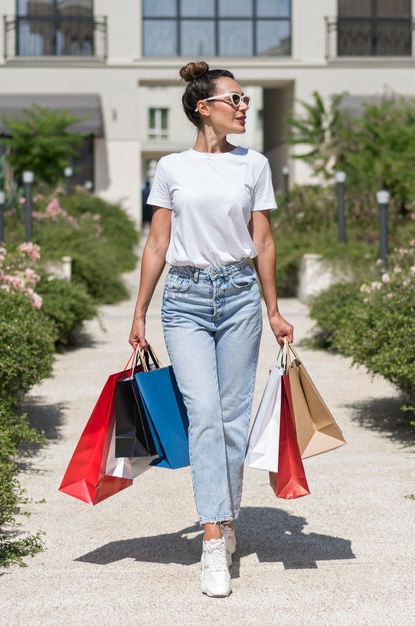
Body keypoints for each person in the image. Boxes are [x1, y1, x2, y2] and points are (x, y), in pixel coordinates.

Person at [128, 61, 294, 598]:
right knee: (202, 414)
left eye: (246, 100)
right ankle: (212, 541)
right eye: (237, 99)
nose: (245, 106)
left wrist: (273, 309)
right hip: (184, 300)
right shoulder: (171, 167)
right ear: (205, 108)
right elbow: (156, 243)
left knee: (230, 420)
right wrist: (139, 313)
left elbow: (263, 242)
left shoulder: (254, 164)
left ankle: (223, 516)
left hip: (241, 297)